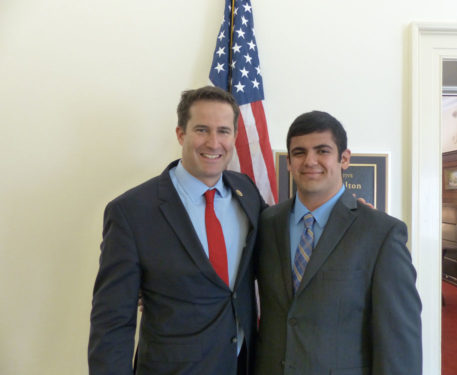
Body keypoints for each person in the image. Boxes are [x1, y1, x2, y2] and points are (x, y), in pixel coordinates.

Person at [88, 86, 265, 375]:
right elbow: (112, 321)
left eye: (223, 131)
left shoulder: (247, 191)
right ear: (181, 134)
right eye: (201, 130)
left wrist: (351, 212)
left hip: (241, 365)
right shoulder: (131, 211)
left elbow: (284, 232)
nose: (213, 142)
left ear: (234, 136)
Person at [254, 111, 422, 375]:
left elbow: (399, 341)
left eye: (322, 151)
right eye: (299, 152)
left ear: (344, 159)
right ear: (289, 162)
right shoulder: (265, 223)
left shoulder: (382, 233)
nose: (310, 161)